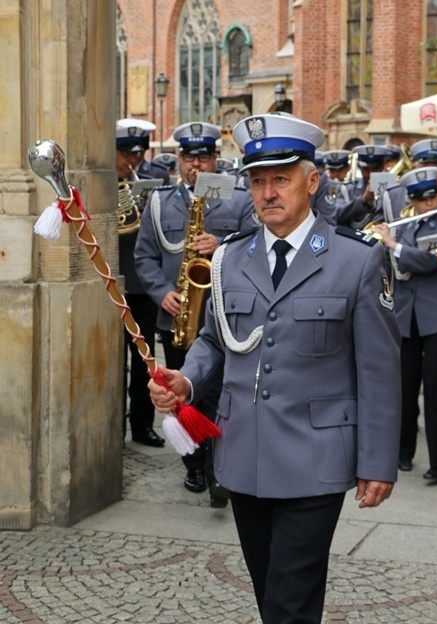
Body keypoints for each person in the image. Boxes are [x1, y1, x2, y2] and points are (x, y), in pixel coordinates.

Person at [148, 112, 402, 624]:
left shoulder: (356, 260)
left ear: (312, 181)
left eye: (281, 179)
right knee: (271, 593)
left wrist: (377, 460)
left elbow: (379, 370)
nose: (268, 192)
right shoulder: (229, 259)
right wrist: (187, 379)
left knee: (290, 598)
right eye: (258, 181)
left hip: (317, 457)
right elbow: (215, 340)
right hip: (243, 454)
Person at [134, 121, 255, 502]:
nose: (196, 164)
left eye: (204, 156)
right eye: (189, 157)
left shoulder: (237, 198)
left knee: (219, 393)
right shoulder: (159, 201)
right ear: (179, 159)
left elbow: (257, 244)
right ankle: (193, 466)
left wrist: (222, 242)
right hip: (177, 316)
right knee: (180, 393)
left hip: (221, 314)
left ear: (215, 159)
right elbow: (145, 257)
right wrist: (161, 292)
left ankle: (218, 467)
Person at [374, 167, 437, 483]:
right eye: (420, 198)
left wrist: (393, 245)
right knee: (405, 388)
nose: (429, 202)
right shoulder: (405, 227)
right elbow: (388, 266)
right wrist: (381, 243)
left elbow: (430, 262)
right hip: (405, 318)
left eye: (432, 196)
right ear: (411, 200)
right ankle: (403, 452)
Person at [116, 120, 165, 447]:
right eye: (126, 154)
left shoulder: (149, 185)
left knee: (144, 361)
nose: (133, 161)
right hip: (114, 285)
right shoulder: (99, 185)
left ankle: (143, 425)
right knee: (114, 364)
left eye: (138, 154)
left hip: (144, 286)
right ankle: (114, 426)